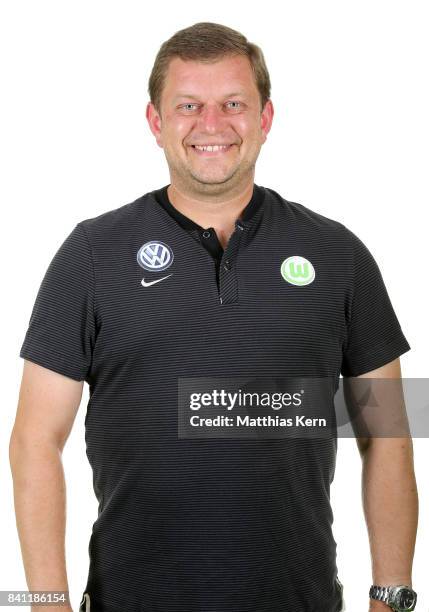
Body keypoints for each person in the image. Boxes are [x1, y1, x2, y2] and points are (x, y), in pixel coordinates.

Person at [9, 21, 418, 612]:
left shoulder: (339, 256)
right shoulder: (93, 254)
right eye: (188, 106)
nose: (211, 125)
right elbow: (34, 441)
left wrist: (394, 596)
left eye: (232, 104)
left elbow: (389, 436)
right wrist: (46, 604)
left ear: (265, 118)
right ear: (155, 122)